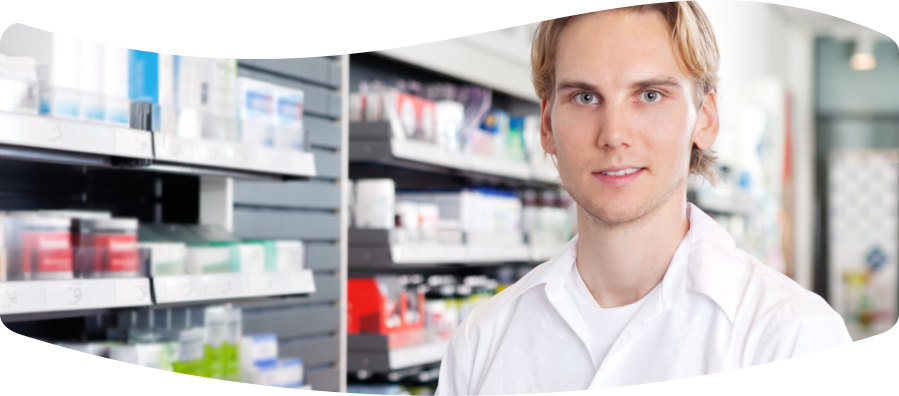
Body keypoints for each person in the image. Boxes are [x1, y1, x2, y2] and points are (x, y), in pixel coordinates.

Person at [434, 1, 852, 394]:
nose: (614, 134)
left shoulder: (792, 333)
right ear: (547, 124)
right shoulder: (481, 341)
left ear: (704, 119)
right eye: (585, 97)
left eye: (650, 95)